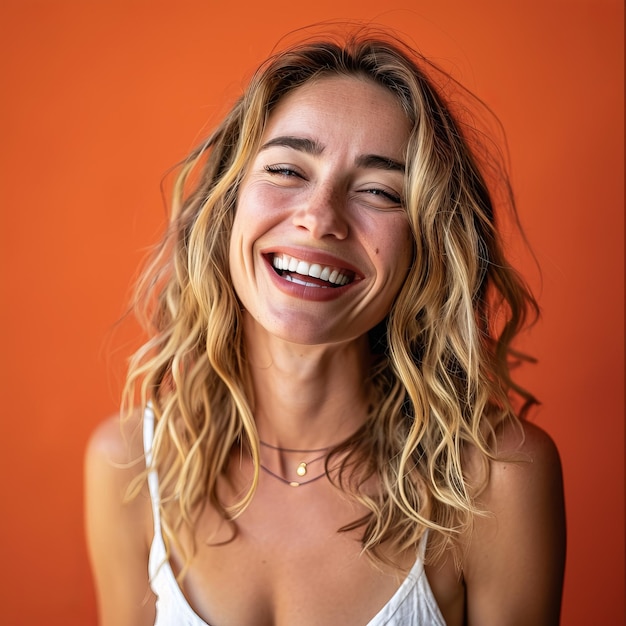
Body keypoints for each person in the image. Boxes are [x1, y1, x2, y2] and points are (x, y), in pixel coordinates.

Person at [85, 26, 566, 626]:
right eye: (288, 170)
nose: (319, 218)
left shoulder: (495, 481)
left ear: (426, 244)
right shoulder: (129, 467)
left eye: (378, 190)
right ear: (228, 203)